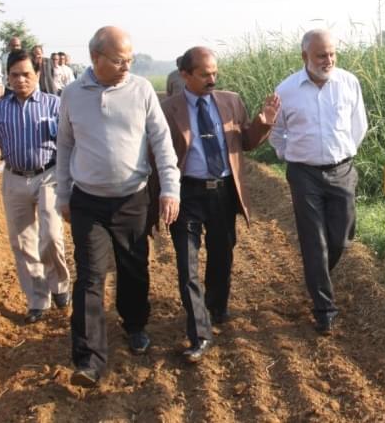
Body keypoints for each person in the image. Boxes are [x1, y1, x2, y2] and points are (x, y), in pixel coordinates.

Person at [56, 26, 180, 388]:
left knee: (133, 267)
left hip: (132, 198)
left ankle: (135, 323)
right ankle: (88, 359)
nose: (127, 65)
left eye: (130, 59)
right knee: (91, 276)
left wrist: (169, 189)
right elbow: (64, 146)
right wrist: (63, 195)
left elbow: (161, 141)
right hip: (87, 201)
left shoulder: (140, 90)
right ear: (95, 58)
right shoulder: (73, 94)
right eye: (118, 59)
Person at [161, 46, 280, 362]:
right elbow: (158, 154)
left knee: (222, 254)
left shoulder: (231, 101)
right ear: (186, 75)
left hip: (223, 192)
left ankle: (216, 306)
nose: (212, 79)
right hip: (186, 192)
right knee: (187, 262)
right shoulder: (167, 108)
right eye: (204, 74)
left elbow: (247, 143)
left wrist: (263, 123)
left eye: (215, 72)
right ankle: (199, 332)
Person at [0, 49, 70, 324]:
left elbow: (71, 143)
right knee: (22, 242)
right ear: (7, 77)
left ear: (38, 74)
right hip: (15, 178)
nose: (21, 80)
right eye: (15, 75)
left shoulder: (54, 105)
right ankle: (37, 299)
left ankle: (59, 285)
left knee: (51, 236)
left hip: (49, 174)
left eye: (26, 74)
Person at [269, 29, 368, 336]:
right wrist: (291, 155)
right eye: (321, 55)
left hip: (341, 170)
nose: (328, 60)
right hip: (304, 174)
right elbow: (276, 131)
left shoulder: (348, 83)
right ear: (305, 57)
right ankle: (324, 308)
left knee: (340, 238)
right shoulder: (286, 91)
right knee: (315, 242)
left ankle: (317, 276)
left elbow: (358, 124)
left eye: (332, 54)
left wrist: (343, 154)